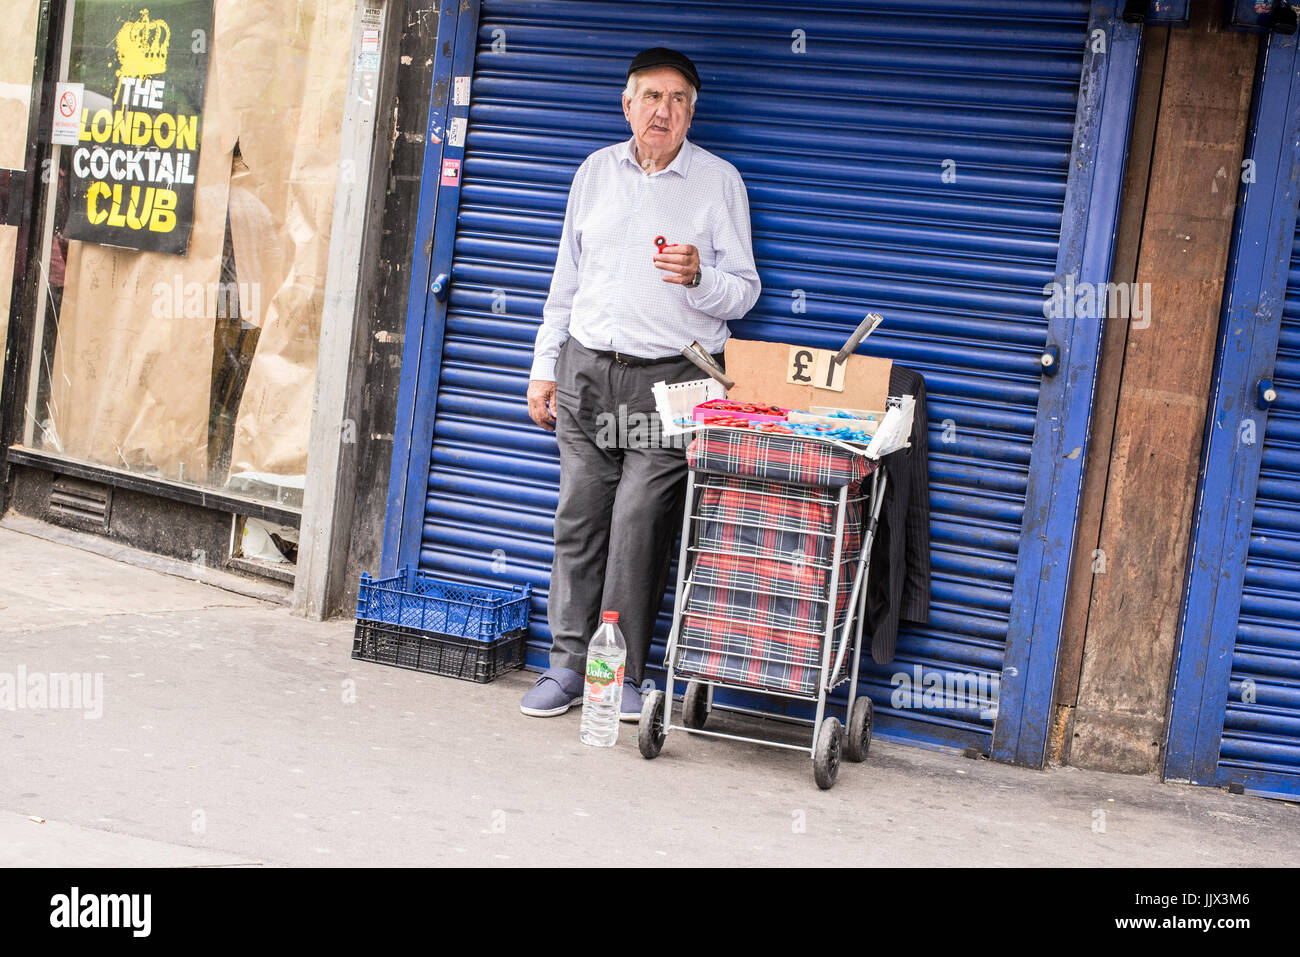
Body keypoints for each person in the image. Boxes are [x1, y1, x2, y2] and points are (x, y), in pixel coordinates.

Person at [521, 47, 761, 720]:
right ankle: (567, 666)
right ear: (627, 105)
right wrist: (545, 367)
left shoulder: (718, 183)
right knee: (579, 516)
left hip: (671, 381)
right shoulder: (595, 173)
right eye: (652, 96)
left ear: (692, 113)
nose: (664, 109)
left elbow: (743, 293)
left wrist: (699, 279)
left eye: (679, 99)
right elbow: (565, 280)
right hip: (588, 371)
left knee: (637, 519)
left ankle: (617, 673)